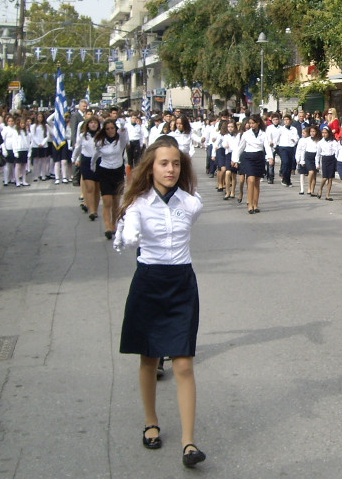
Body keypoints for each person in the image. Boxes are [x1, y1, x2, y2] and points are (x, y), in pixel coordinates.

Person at [113, 135, 206, 468]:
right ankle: (151, 421)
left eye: (176, 163)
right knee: (149, 360)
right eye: (164, 163)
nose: (170, 169)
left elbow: (187, 230)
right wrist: (126, 234)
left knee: (183, 363)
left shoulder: (192, 203)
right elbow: (123, 238)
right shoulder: (136, 202)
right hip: (149, 282)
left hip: (181, 283)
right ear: (150, 167)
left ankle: (189, 442)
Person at [231, 114, 274, 214]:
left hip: (259, 157)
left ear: (258, 123)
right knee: (250, 179)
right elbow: (240, 147)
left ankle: (256, 204)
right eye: (249, 123)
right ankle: (249, 204)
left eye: (253, 123)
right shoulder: (246, 134)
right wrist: (235, 159)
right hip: (248, 157)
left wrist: (270, 157)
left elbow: (267, 147)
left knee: (257, 182)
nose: (251, 125)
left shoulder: (263, 134)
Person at [95, 119, 129, 240]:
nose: (110, 131)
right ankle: (108, 226)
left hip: (118, 171)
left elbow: (125, 138)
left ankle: (114, 223)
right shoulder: (100, 142)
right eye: (108, 129)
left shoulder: (120, 141)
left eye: (112, 128)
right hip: (105, 171)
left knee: (116, 201)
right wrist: (92, 167)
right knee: (107, 201)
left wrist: (123, 128)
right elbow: (95, 156)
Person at [73, 116, 101, 221]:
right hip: (86, 161)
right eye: (91, 122)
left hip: (98, 162)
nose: (93, 124)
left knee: (97, 188)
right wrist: (74, 158)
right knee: (90, 188)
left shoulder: (101, 136)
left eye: (95, 123)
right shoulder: (83, 136)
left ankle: (96, 209)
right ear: (88, 124)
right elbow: (78, 148)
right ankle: (92, 211)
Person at [316, 126, 339, 200]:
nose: (324, 134)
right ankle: (320, 189)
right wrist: (317, 164)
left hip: (332, 159)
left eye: (326, 133)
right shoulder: (320, 142)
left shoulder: (333, 141)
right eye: (323, 133)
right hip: (325, 159)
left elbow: (336, 151)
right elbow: (318, 154)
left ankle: (328, 194)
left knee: (330, 178)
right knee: (325, 177)